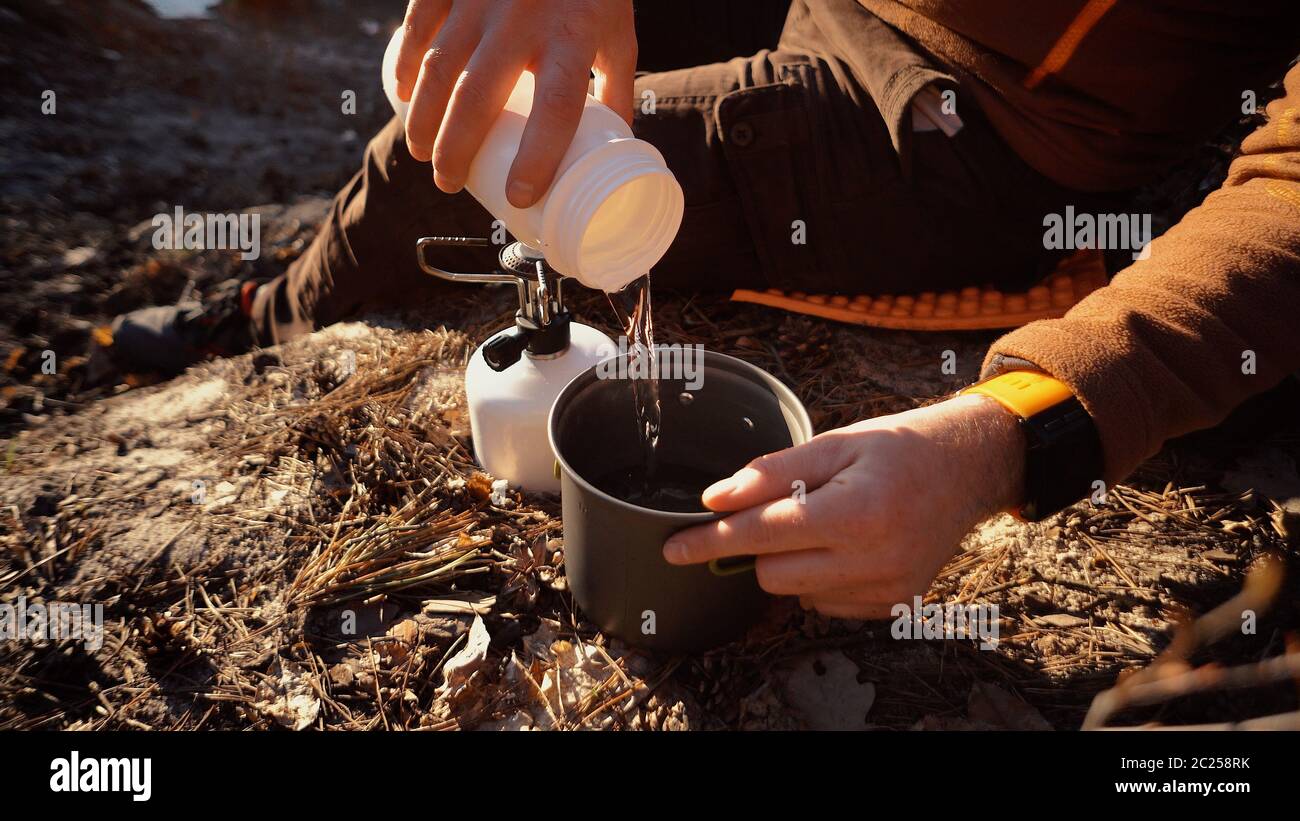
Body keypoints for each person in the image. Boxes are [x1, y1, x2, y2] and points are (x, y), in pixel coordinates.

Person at [110, 0, 1300, 618]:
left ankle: (264, 316)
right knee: (477, 54)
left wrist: (1015, 430)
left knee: (431, 157)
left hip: (969, 126)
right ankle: (271, 297)